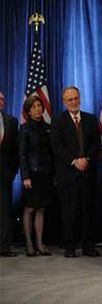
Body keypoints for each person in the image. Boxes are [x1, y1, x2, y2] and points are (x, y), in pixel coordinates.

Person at [50, 86, 101, 258]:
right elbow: (57, 146)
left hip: (88, 172)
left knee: (89, 211)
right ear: (64, 102)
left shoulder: (91, 119)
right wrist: (74, 161)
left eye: (76, 98)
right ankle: (70, 247)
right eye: (70, 99)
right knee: (69, 212)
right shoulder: (58, 121)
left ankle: (89, 246)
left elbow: (96, 144)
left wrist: (86, 159)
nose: (73, 102)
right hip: (68, 174)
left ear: (80, 98)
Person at [19, 95, 54, 256]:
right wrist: (25, 176)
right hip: (31, 174)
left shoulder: (48, 127)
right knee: (30, 207)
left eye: (39, 106)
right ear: (28, 111)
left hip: (45, 174)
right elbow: (23, 155)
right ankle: (29, 243)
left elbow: (51, 153)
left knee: (41, 208)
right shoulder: (24, 128)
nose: (37, 109)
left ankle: (40, 243)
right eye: (33, 107)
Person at [0, 91, 19, 257]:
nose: (0, 102)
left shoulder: (11, 121)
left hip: (4, 176)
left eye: (2, 99)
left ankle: (5, 247)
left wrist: (12, 172)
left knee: (5, 212)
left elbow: (15, 151)